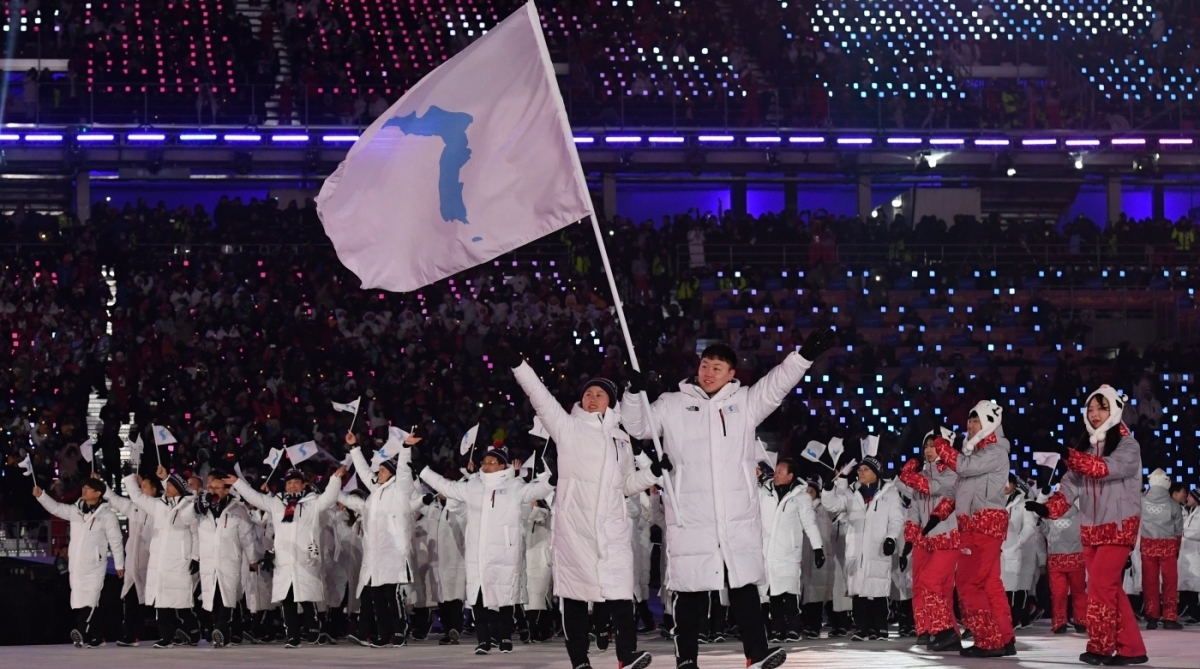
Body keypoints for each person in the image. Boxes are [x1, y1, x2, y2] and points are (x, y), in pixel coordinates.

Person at [621, 332, 835, 669]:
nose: (708, 372)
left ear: (731, 374)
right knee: (691, 591)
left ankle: (757, 652)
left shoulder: (746, 403)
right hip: (692, 514)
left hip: (735, 514)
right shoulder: (672, 403)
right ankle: (686, 658)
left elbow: (777, 384)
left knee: (743, 586)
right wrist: (633, 394)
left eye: (717, 368)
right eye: (705, 365)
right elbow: (637, 427)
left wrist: (803, 356)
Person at [500, 345, 659, 669]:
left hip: (611, 527)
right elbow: (540, 397)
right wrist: (519, 364)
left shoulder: (622, 440)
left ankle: (626, 655)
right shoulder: (568, 428)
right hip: (575, 526)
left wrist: (652, 474)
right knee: (574, 595)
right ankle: (579, 660)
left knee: (619, 593)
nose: (592, 398)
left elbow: (626, 484)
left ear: (610, 402)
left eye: (600, 394)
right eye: (589, 393)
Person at [1027, 386, 1147, 666]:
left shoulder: (1128, 445)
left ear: (1114, 410)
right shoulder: (1086, 448)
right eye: (1090, 409)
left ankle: (1101, 646)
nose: (1094, 414)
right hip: (1091, 529)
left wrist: (1068, 454)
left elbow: (1103, 469)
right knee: (1109, 589)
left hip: (1118, 526)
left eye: (1101, 408)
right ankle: (1132, 648)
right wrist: (1048, 508)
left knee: (1100, 587)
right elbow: (1070, 485)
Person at [418, 445, 554, 655]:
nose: (487, 466)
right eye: (485, 462)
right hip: (478, 554)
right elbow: (447, 487)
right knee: (479, 598)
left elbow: (534, 491)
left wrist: (551, 481)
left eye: (492, 462)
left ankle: (505, 637)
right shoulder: (474, 485)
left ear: (502, 465)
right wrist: (424, 471)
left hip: (505, 553)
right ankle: (483, 640)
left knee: (505, 597)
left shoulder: (514, 486)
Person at [225, 466, 348, 648]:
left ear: (304, 485)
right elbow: (255, 498)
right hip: (285, 560)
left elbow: (329, 497)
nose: (292, 486)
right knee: (287, 598)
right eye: (289, 483)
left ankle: (313, 627)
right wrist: (237, 483)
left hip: (305, 559)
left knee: (307, 596)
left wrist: (335, 479)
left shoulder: (312, 503)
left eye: (296, 483)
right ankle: (293, 636)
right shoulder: (277, 503)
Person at [930, 400, 1017, 657]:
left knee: (968, 584)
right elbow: (961, 488)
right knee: (990, 584)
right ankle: (1004, 637)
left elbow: (964, 468)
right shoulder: (979, 453)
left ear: (990, 423)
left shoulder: (994, 451)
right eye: (969, 420)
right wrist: (939, 514)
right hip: (979, 524)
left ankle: (988, 641)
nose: (970, 425)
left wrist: (941, 445)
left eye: (975, 420)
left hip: (982, 525)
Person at [338, 430, 418, 648]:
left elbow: (403, 471)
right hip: (375, 555)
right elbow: (364, 472)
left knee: (392, 597)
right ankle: (384, 635)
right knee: (377, 598)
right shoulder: (375, 492)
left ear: (391, 474)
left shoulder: (400, 490)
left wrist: (405, 449)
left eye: (382, 470)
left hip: (392, 552)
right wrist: (354, 448)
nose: (378, 473)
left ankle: (400, 632)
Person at [33, 476, 125, 648]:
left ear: (98, 493)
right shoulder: (76, 510)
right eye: (84, 487)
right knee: (82, 601)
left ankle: (81, 632)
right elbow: (57, 508)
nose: (84, 490)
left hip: (95, 566)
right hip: (76, 565)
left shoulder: (107, 516)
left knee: (90, 599)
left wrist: (119, 564)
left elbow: (116, 541)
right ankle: (98, 637)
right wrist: (41, 496)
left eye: (89, 488)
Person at [821, 455, 903, 641]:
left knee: (879, 589)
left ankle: (879, 628)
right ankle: (861, 628)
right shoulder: (851, 493)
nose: (861, 472)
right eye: (859, 470)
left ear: (876, 473)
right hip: (856, 549)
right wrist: (827, 489)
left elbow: (896, 519)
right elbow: (833, 505)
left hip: (879, 548)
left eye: (865, 470)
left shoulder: (889, 494)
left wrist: (891, 538)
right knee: (858, 591)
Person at [896, 428, 960, 651]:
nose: (929, 450)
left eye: (933, 445)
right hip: (925, 540)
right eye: (926, 446)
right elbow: (914, 510)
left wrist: (907, 475)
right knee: (920, 586)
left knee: (936, 586)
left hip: (946, 537)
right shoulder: (920, 477)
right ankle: (925, 629)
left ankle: (946, 630)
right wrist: (908, 542)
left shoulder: (953, 473)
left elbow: (932, 488)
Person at [123, 466, 200, 648]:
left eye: (172, 486)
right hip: (160, 562)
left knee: (180, 601)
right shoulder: (158, 505)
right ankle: (167, 637)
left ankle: (192, 630)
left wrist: (196, 557)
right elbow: (137, 497)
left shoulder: (189, 507)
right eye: (168, 485)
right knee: (162, 601)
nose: (168, 488)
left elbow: (197, 533)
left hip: (180, 561)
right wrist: (128, 478)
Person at [188, 470, 258, 648]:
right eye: (209, 486)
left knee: (227, 596)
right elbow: (191, 529)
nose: (212, 490)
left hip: (229, 560)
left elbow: (247, 537)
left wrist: (252, 558)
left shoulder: (237, 510)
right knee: (212, 598)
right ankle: (221, 633)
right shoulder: (201, 509)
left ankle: (221, 629)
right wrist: (195, 557)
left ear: (227, 490)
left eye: (216, 487)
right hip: (208, 561)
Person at [758, 458, 825, 643]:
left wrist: (818, 548)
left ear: (790, 476)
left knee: (789, 594)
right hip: (768, 552)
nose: (776, 474)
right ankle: (777, 630)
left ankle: (794, 628)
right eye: (776, 470)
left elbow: (809, 524)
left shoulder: (801, 497)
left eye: (780, 471)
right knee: (773, 596)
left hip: (788, 552)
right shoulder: (764, 493)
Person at [102, 471, 157, 647]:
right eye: (140, 486)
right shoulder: (134, 508)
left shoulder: (159, 507)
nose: (141, 489)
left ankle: (175, 633)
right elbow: (114, 499)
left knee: (156, 601)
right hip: (133, 564)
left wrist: (131, 479)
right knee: (131, 599)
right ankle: (131, 634)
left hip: (151, 563)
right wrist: (100, 485)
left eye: (145, 486)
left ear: (155, 490)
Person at [1139, 468, 1184, 630]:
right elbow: (1179, 529)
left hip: (1148, 546)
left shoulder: (1141, 501)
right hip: (1168, 547)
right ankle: (1169, 618)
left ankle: (1152, 617)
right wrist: (1176, 547)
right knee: (1170, 583)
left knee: (1150, 582)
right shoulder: (1173, 504)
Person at [1039, 487, 1087, 634]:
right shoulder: (1081, 515)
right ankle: (1081, 622)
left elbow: (1044, 533)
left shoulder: (1048, 516)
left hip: (1057, 559)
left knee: (1059, 594)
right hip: (1075, 558)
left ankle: (1060, 623)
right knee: (1078, 592)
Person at [1000, 475, 1038, 630]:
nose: (1004, 485)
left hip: (1015, 550)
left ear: (1015, 484)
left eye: (1007, 482)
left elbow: (1029, 526)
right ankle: (1003, 617)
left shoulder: (1024, 504)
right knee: (1000, 586)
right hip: (996, 550)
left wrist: (1018, 542)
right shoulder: (994, 501)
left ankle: (1016, 618)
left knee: (1015, 586)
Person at [799, 476, 833, 639]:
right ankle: (804, 624)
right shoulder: (799, 508)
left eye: (811, 491)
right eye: (806, 491)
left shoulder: (823, 508)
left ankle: (814, 625)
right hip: (801, 555)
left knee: (816, 592)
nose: (808, 495)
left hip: (817, 554)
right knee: (802, 592)